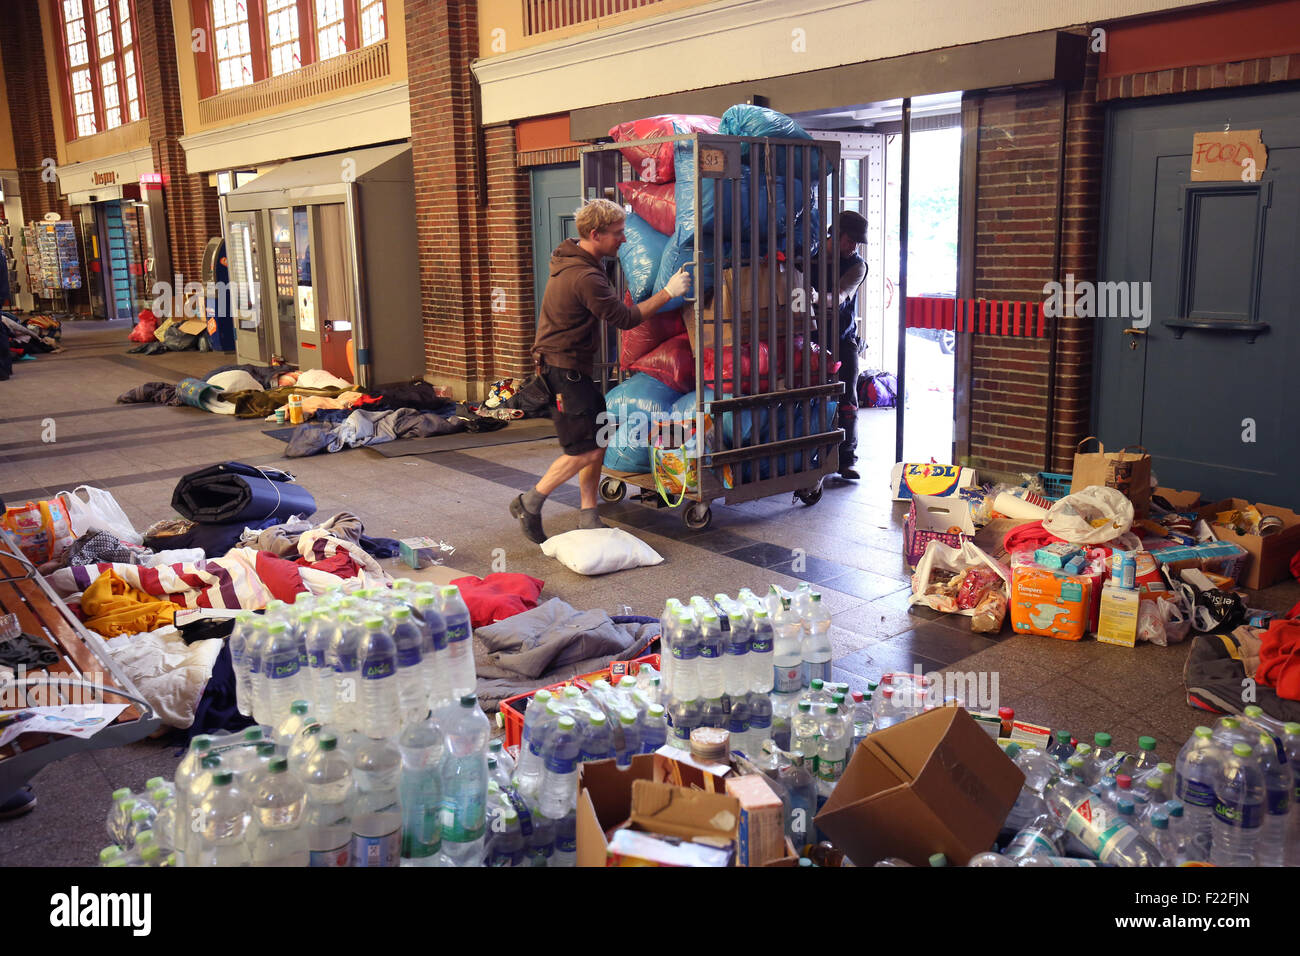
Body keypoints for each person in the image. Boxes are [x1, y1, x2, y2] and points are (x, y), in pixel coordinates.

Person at [509, 199, 692, 543]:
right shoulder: (584, 275)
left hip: (574, 369)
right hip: (565, 373)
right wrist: (668, 291)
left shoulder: (575, 259)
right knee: (585, 449)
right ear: (595, 234)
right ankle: (530, 502)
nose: (624, 240)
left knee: (600, 436)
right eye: (618, 233)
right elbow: (624, 319)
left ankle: (589, 514)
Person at [811, 210, 868, 480]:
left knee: (848, 399)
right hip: (810, 337)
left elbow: (842, 296)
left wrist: (816, 296)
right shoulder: (811, 255)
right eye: (850, 239)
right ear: (837, 234)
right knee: (811, 396)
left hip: (843, 338)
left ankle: (847, 458)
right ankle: (811, 452)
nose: (854, 246)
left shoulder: (858, 265)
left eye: (858, 242)